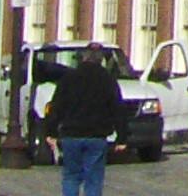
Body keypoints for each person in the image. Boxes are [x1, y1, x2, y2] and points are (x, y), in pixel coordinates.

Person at [42, 44, 128, 196]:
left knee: (71, 176)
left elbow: (57, 106)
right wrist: (122, 137)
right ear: (101, 59)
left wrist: (51, 132)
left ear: (83, 57)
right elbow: (118, 109)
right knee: (93, 179)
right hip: (96, 136)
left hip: (71, 135)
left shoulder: (69, 77)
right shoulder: (107, 79)